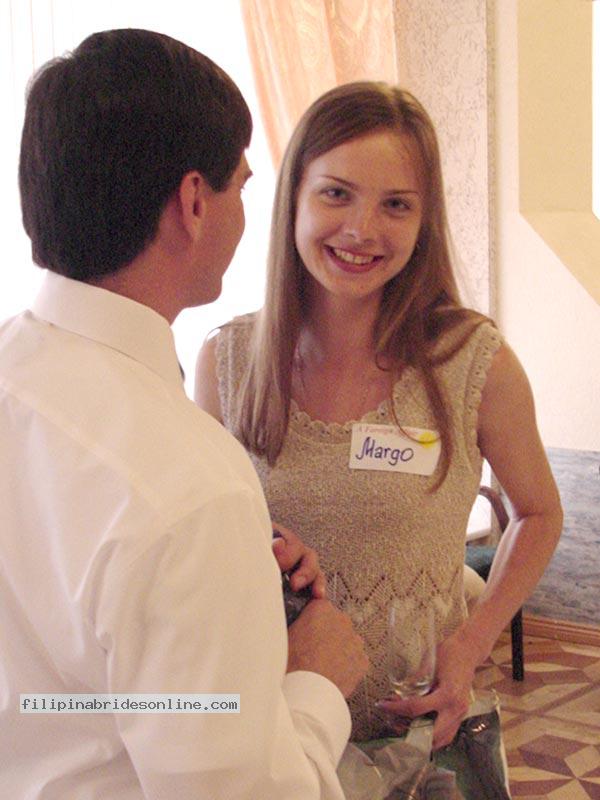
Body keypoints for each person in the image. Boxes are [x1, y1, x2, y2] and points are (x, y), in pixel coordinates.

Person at [0, 29, 368, 800]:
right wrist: (314, 683)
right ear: (195, 203)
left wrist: (232, 579)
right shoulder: (190, 488)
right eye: (242, 186)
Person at [195, 82, 563, 749]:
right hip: (272, 734)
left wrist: (471, 643)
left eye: (396, 204)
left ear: (424, 221)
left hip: (416, 738)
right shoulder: (228, 363)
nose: (362, 229)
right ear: (294, 199)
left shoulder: (471, 362)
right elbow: (208, 546)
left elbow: (539, 513)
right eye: (336, 193)